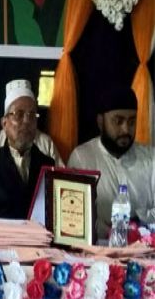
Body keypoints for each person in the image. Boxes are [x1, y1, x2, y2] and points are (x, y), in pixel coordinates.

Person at [68, 84, 155, 239]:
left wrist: (136, 225)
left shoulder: (151, 158)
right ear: (101, 122)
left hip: (144, 247)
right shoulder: (82, 158)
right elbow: (75, 215)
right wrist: (111, 232)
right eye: (118, 121)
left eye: (132, 122)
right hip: (96, 248)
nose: (126, 130)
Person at [0, 79, 54, 219]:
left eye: (32, 115)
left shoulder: (49, 165)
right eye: (19, 114)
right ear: (4, 123)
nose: (26, 121)